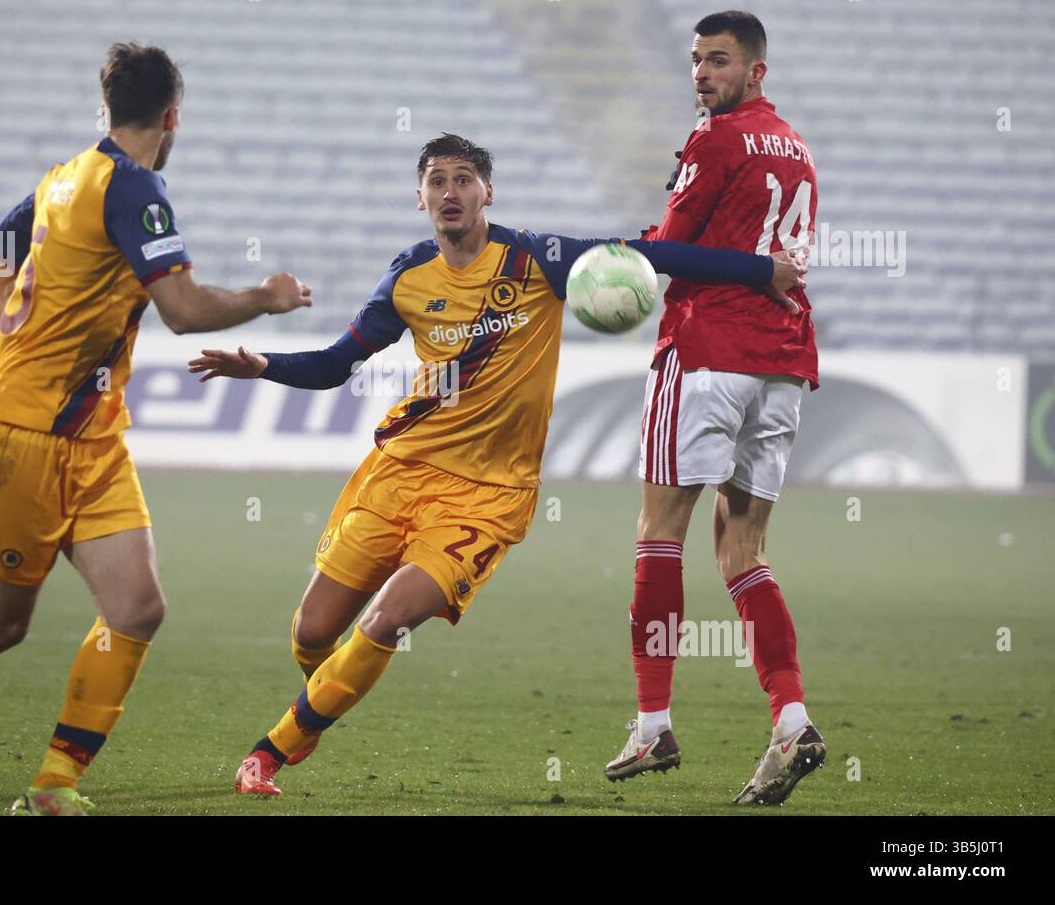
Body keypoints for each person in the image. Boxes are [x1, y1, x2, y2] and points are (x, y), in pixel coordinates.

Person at [188, 132, 807, 796]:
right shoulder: (408, 275)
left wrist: (758, 270)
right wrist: (263, 366)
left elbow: (656, 254)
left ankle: (268, 752)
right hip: (400, 470)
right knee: (312, 634)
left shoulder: (538, 259)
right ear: (419, 195)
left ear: (488, 192)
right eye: (437, 181)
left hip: (488, 496)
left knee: (387, 619)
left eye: (463, 180)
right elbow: (338, 364)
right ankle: (315, 713)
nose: (449, 192)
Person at [0, 42, 311, 816]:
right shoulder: (133, 188)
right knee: (0, 624)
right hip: (18, 444)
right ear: (173, 116)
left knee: (136, 607)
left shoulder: (63, 177)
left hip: (92, 440)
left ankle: (53, 785)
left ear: (106, 109)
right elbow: (183, 311)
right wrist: (266, 297)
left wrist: (19, 348)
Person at [604, 11, 825, 806]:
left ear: (756, 70)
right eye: (696, 61)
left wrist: (612, 252)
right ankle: (792, 719)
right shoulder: (795, 146)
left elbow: (670, 250)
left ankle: (653, 722)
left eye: (719, 61)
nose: (702, 74)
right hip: (784, 362)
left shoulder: (715, 140)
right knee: (745, 552)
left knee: (659, 531)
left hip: (707, 351)